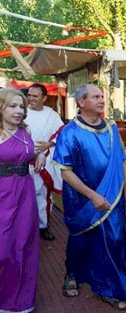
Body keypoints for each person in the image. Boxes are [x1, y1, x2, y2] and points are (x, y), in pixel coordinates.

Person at [53, 84, 126, 310]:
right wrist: (92, 195)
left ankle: (110, 288)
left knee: (113, 241)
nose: (101, 100)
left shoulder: (112, 128)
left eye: (102, 96)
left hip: (112, 198)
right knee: (81, 240)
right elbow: (65, 172)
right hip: (81, 200)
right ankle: (71, 273)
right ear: (81, 102)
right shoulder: (70, 132)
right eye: (96, 96)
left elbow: (118, 163)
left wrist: (124, 190)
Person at [0, 88, 46, 313]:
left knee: (24, 246)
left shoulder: (24, 131)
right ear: (1, 108)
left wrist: (40, 155)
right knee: (3, 248)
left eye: (21, 107)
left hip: (24, 195)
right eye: (13, 106)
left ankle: (20, 302)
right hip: (2, 195)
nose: (19, 111)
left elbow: (29, 152)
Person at [25, 83, 64, 241]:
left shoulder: (51, 115)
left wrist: (50, 144)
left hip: (44, 161)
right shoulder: (21, 112)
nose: (31, 99)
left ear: (44, 98)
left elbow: (61, 132)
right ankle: (25, 229)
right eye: (29, 95)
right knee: (25, 197)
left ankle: (43, 226)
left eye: (35, 96)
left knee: (42, 195)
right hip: (23, 161)